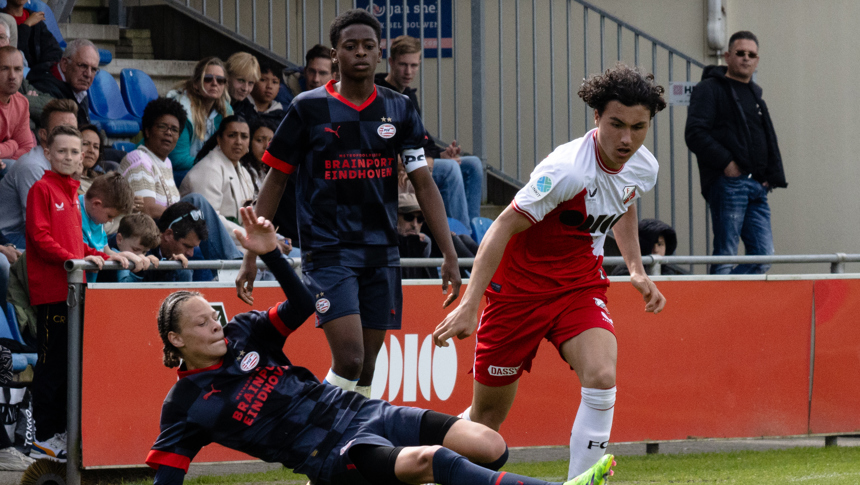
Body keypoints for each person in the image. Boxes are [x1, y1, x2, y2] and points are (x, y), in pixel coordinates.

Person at [146, 206, 616, 485]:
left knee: (489, 445)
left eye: (215, 316)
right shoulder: (184, 404)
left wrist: (271, 252)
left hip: (360, 411)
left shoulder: (246, 333)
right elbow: (167, 475)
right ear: (175, 339)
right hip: (329, 454)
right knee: (433, 459)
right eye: (204, 324)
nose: (217, 327)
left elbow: (304, 301)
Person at [433, 63, 668, 480]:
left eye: (639, 126)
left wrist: (635, 268)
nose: (627, 138)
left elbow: (625, 200)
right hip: (517, 293)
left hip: (579, 285)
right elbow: (503, 225)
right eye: (616, 124)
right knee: (485, 425)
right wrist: (471, 302)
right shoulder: (566, 170)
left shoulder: (642, 165)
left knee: (601, 375)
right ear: (596, 118)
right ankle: (415, 459)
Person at [236, 9, 461, 399]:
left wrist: (450, 253)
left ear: (379, 54)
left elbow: (424, 183)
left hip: (381, 251)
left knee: (369, 367)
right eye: (350, 46)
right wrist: (251, 255)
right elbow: (276, 178)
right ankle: (315, 431)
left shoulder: (400, 109)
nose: (360, 52)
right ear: (335, 55)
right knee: (351, 358)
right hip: (329, 250)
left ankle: (354, 450)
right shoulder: (308, 108)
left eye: (368, 46)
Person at [26, 125, 129, 461]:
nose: (69, 157)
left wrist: (103, 255)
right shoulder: (42, 189)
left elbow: (76, 244)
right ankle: (42, 436)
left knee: (70, 365)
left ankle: (63, 432)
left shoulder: (71, 193)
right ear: (47, 152)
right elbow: (41, 240)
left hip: (74, 289)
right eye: (62, 151)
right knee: (51, 366)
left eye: (75, 152)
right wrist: (74, 259)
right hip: (52, 293)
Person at [685, 31, 787, 275]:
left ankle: (730, 301)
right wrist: (727, 164)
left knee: (763, 258)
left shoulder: (755, 95)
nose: (746, 58)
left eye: (751, 55)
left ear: (757, 60)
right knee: (725, 254)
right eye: (740, 53)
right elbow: (695, 133)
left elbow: (765, 137)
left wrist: (768, 176)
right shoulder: (709, 89)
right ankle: (720, 306)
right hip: (729, 183)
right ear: (727, 56)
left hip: (757, 186)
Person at [374, 35, 483, 227]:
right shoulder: (379, 92)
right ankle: (460, 234)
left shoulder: (408, 95)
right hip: (396, 166)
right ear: (390, 62)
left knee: (473, 165)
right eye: (403, 65)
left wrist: (442, 153)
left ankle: (474, 231)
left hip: (416, 159)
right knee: (450, 170)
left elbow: (421, 139)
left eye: (414, 65)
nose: (409, 71)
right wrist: (430, 160)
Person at [0, 98, 77, 249]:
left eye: (73, 131)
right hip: (10, 236)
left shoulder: (64, 164)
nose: (68, 137)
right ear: (43, 134)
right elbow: (40, 228)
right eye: (61, 130)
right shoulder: (33, 167)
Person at [180, 115, 255, 243]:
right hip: (207, 243)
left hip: (237, 240)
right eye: (232, 135)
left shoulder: (244, 172)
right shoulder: (208, 168)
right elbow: (209, 221)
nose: (238, 141)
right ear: (219, 140)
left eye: (244, 136)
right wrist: (249, 237)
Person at [166, 56, 233, 186]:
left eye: (220, 80)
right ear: (196, 84)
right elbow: (177, 160)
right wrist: (215, 165)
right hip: (172, 172)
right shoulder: (182, 109)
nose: (214, 83)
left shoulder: (226, 111)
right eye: (208, 79)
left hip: (202, 168)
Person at [120, 97, 186, 220]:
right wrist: (183, 217)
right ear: (148, 131)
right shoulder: (138, 158)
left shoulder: (167, 162)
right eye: (162, 126)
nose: (169, 133)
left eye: (174, 130)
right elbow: (148, 209)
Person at [78, 172, 144, 282]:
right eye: (110, 216)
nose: (111, 220)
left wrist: (126, 256)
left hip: (87, 288)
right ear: (96, 204)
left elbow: (106, 251)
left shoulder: (96, 216)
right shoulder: (75, 213)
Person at [27, 38, 98, 127]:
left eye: (94, 69)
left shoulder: (79, 89)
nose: (88, 74)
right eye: (83, 66)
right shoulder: (44, 88)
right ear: (64, 64)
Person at [139, 201, 211, 283]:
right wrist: (172, 270)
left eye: (194, 247)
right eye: (187, 246)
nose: (191, 253)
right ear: (168, 235)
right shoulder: (139, 247)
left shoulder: (195, 255)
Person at [609, 219, 689, 276]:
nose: (656, 250)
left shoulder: (670, 274)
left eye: (660, 244)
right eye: (651, 244)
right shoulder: (624, 273)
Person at [99, 213, 161, 283]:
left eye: (144, 252)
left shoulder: (143, 256)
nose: (139, 255)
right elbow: (124, 288)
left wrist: (151, 264)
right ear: (120, 239)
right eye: (135, 249)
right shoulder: (116, 260)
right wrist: (138, 272)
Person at [0, 0, 61, 71]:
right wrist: (26, 25)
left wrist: (40, 70)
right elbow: (14, 49)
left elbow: (54, 50)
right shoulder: (2, 19)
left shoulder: (36, 19)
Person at [0, 46, 34, 162]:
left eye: (18, 69)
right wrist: (13, 145)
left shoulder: (22, 103)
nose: (12, 76)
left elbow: (27, 148)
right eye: (5, 68)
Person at [225, 51, 261, 122]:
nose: (245, 88)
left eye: (251, 83)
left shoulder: (248, 111)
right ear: (227, 76)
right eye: (241, 80)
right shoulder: (211, 103)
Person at [76, 124, 105, 194]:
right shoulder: (66, 181)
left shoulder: (102, 181)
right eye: (85, 144)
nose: (91, 150)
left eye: (96, 147)